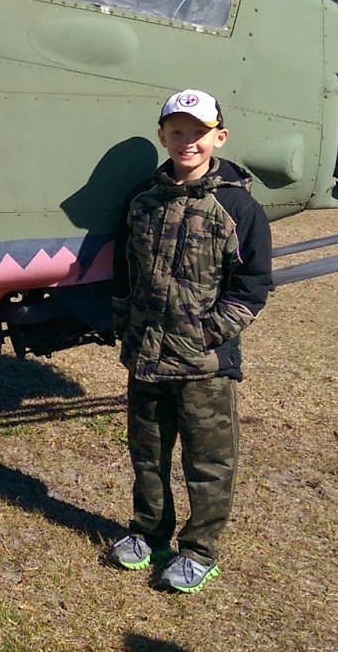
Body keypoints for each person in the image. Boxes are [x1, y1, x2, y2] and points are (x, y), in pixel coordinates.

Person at [106, 88, 272, 594]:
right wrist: (126, 326)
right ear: (162, 136)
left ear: (219, 137)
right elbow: (123, 273)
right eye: (177, 131)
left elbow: (252, 287)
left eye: (199, 132)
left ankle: (199, 550)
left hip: (205, 366)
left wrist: (205, 334)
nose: (188, 141)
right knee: (147, 455)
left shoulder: (238, 207)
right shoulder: (142, 201)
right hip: (146, 358)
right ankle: (148, 533)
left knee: (209, 462)